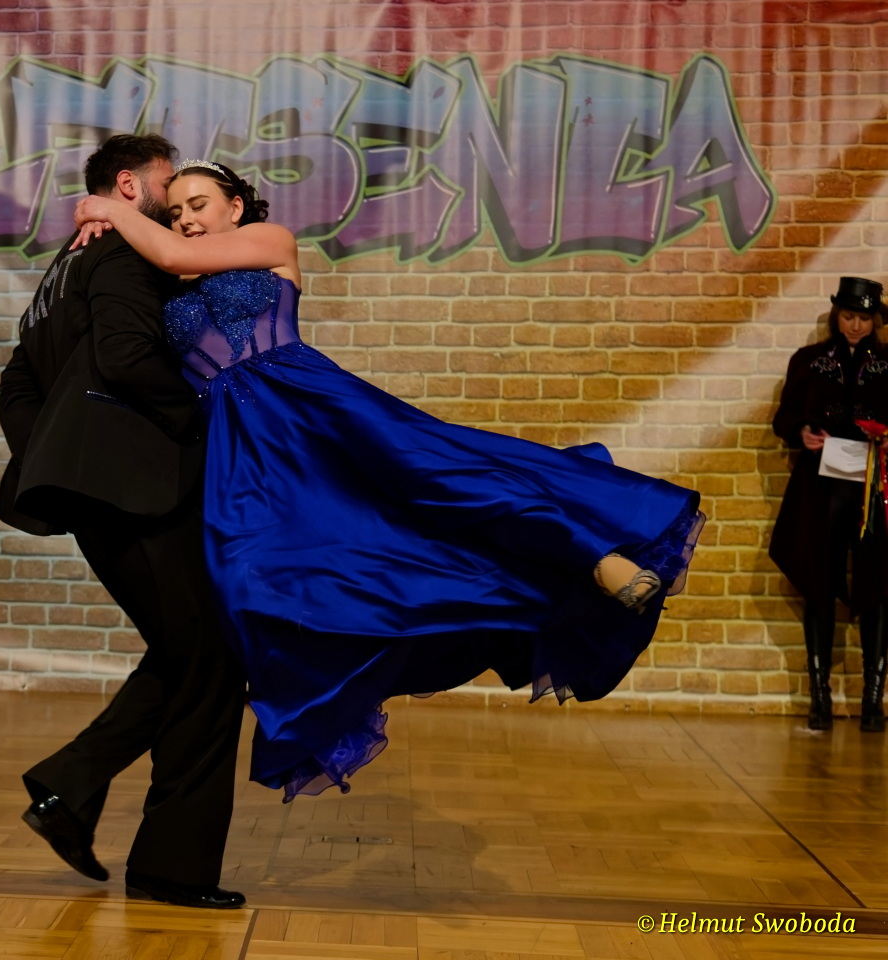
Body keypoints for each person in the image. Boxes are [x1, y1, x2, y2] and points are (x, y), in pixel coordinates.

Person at [72, 160, 704, 800]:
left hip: (311, 406)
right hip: (244, 452)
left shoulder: (269, 241)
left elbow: (171, 252)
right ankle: (324, 697)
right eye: (175, 210)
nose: (185, 219)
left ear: (235, 208)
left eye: (199, 204)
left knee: (443, 478)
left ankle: (595, 555)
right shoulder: (171, 279)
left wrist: (106, 208)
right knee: (249, 581)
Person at [0, 135, 246, 909]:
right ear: (131, 187)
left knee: (192, 656)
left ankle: (73, 788)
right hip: (138, 491)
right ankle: (162, 862)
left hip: (98, 490)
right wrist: (211, 428)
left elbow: (16, 385)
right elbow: (131, 357)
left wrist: (58, 461)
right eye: (169, 188)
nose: (176, 205)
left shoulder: (66, 266)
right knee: (211, 663)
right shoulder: (123, 252)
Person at [770, 276, 888, 733]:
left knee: (878, 586)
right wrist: (801, 431)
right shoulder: (808, 361)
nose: (855, 325)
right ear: (837, 315)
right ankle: (819, 695)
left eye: (864, 318)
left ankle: (873, 698)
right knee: (819, 583)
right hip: (820, 488)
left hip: (874, 488)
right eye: (848, 316)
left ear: (875, 320)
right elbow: (784, 416)